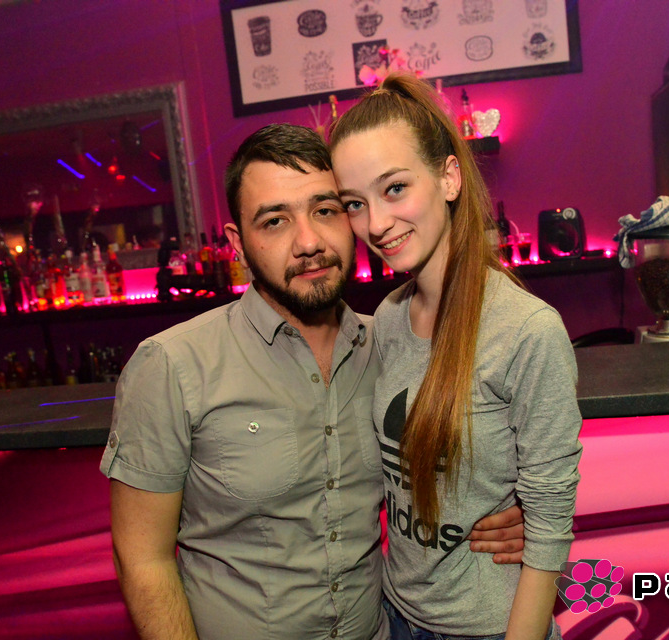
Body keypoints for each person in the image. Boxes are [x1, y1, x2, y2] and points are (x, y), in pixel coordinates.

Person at [100, 123, 525, 640]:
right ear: (237, 244)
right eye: (275, 221)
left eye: (326, 210)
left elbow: (449, 472)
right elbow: (142, 558)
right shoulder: (172, 365)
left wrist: (508, 515)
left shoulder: (391, 345)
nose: (308, 242)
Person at [329, 73, 583, 640]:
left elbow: (549, 526)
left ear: (448, 177)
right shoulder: (388, 318)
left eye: (395, 188)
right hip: (397, 616)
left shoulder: (525, 330)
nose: (376, 224)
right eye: (355, 204)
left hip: (489, 627)